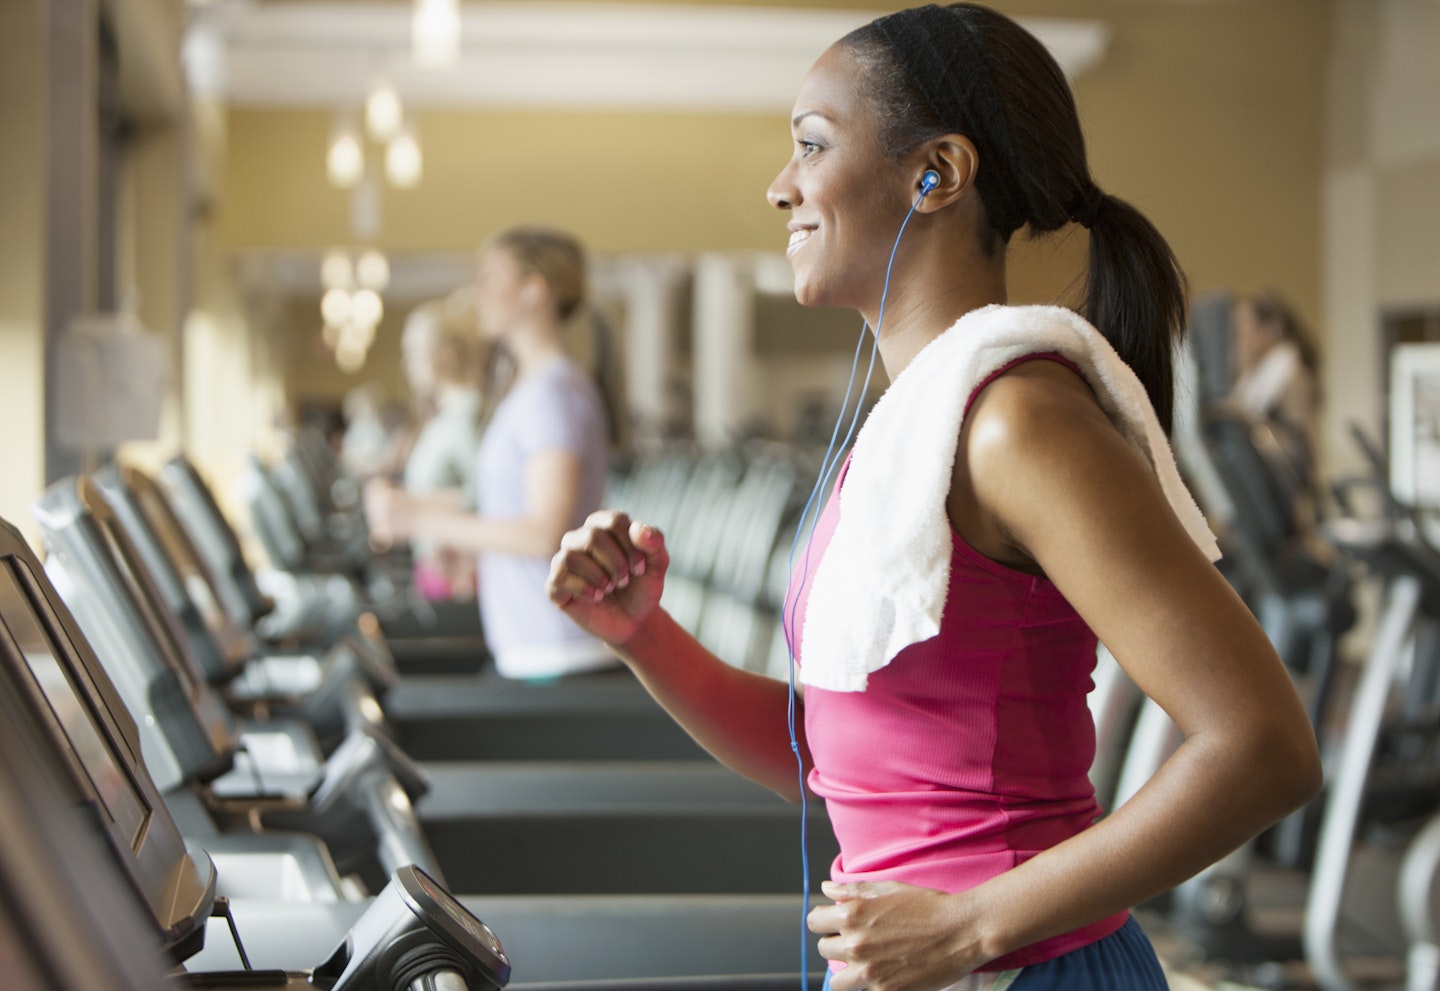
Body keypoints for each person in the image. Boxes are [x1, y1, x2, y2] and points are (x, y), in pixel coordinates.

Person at [545, 5, 1321, 991]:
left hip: (1008, 966)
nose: (780, 187)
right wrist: (644, 634)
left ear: (937, 174)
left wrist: (968, 927)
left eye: (812, 145)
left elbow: (1264, 745)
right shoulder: (908, 433)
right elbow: (836, 763)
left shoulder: (1016, 422)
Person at [367, 226, 618, 680]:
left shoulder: (552, 394)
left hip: (556, 649)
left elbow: (546, 532)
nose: (478, 293)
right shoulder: (528, 389)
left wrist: (422, 521)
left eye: (490, 278)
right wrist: (469, 548)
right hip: (530, 643)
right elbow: (517, 515)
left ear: (532, 292)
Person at [396, 295, 486, 601]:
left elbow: (487, 494)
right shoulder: (445, 416)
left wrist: (411, 508)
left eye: (416, 352)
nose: (407, 363)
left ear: (447, 354)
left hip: (457, 574)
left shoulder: (468, 415)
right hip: (434, 564)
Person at [1226, 289, 1321, 489]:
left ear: (1272, 329)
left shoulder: (1294, 378)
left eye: (1245, 328)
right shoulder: (1252, 375)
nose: (1240, 337)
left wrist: (1254, 429)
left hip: (1284, 491)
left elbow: (1300, 449)